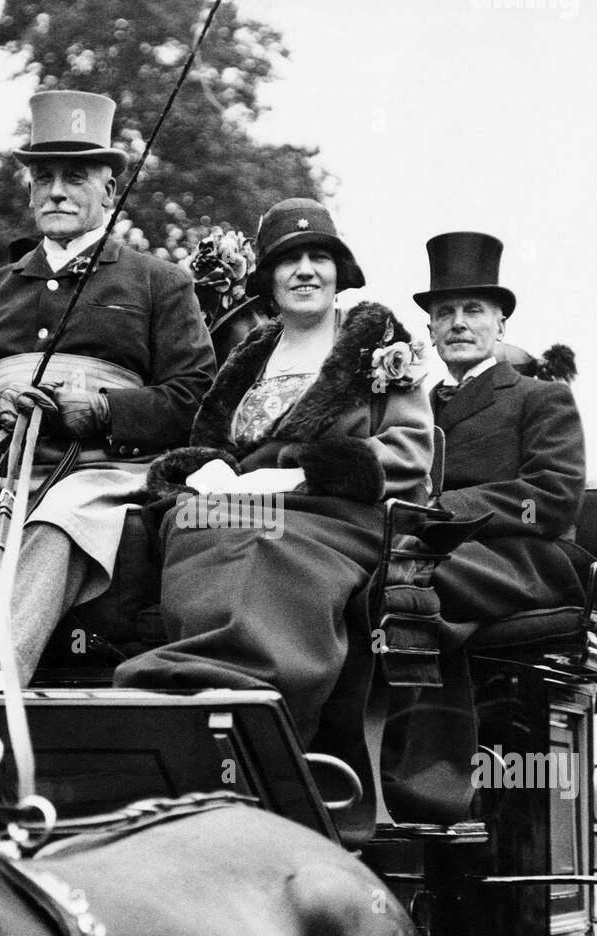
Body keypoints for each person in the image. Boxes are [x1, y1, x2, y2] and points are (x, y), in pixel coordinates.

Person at [0, 90, 216, 683]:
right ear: (28, 190)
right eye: (43, 176)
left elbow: (196, 395)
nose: (56, 191)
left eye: (75, 177)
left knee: (59, 522)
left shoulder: (159, 283)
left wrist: (103, 411)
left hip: (103, 474)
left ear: (108, 189)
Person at [114, 198, 435, 756]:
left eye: (319, 257)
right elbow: (210, 443)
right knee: (193, 522)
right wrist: (208, 470)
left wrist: (299, 477)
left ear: (340, 273)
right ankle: (194, 688)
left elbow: (409, 453)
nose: (305, 270)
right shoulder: (248, 355)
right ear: (269, 276)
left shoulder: (379, 341)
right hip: (238, 504)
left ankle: (257, 703)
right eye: (289, 259)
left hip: (337, 515)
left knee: (262, 540)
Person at [380, 232, 590, 824]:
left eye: (474, 310)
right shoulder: (412, 407)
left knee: (411, 582)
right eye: (444, 312)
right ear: (429, 331)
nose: (459, 323)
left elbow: (551, 500)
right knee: (379, 571)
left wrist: (440, 508)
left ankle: (431, 784)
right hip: (428, 550)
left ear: (500, 323)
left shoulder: (538, 398)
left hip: (527, 558)